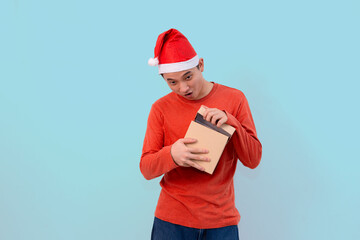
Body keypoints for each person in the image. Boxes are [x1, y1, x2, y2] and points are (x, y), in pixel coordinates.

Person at [140, 28, 262, 240]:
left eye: (188, 76)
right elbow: (146, 168)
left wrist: (231, 122)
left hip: (220, 222)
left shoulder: (235, 99)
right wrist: (172, 155)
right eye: (172, 82)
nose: (183, 88)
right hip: (171, 222)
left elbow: (253, 160)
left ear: (201, 65)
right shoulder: (160, 109)